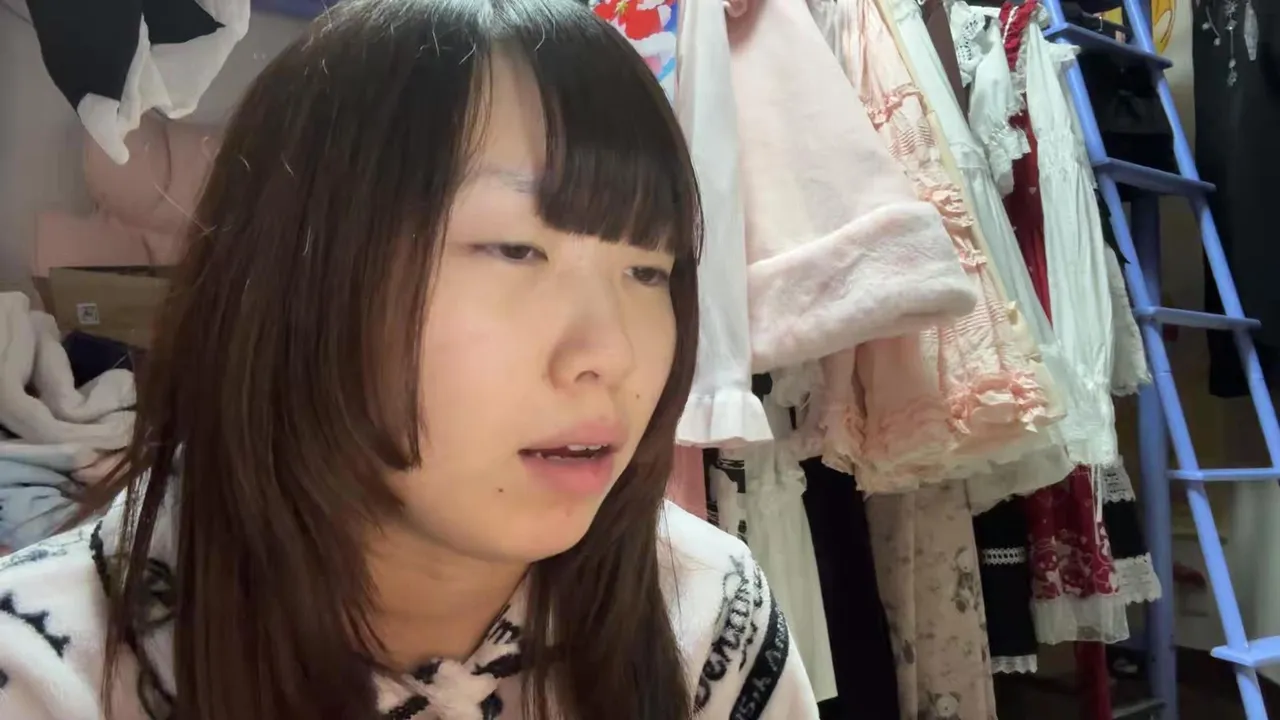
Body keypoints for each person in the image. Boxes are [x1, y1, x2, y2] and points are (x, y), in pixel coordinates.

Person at [0, 1, 820, 719]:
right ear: (299, 276)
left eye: (649, 270)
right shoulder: (42, 674)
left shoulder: (709, 617)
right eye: (515, 249)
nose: (611, 354)